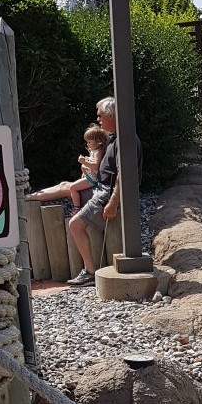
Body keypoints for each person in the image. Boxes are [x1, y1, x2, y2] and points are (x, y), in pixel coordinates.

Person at [67, 96, 142, 287]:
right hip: (100, 189)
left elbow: (123, 176)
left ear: (111, 115)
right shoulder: (114, 138)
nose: (98, 120)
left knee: (75, 225)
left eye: (100, 116)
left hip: (105, 195)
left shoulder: (124, 140)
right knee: (65, 188)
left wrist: (113, 203)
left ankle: (90, 272)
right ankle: (29, 198)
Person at [26, 123, 109, 211]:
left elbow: (96, 165)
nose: (87, 144)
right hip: (93, 180)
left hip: (95, 185)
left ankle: (76, 208)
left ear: (98, 141)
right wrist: (86, 164)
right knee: (64, 185)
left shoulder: (98, 151)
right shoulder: (96, 151)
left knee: (69, 187)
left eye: (89, 142)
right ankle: (32, 196)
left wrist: (85, 162)